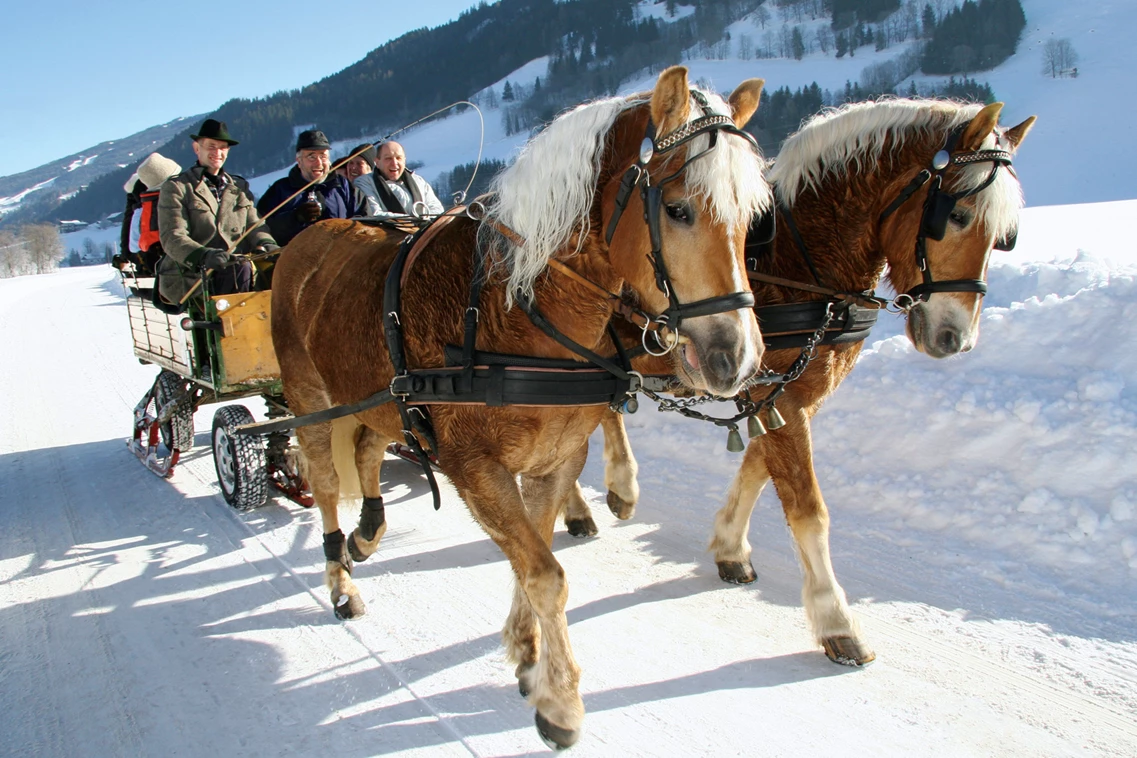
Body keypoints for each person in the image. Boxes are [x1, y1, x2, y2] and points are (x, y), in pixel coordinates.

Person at [155, 119, 277, 307]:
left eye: (223, 147)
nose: (217, 153)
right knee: (237, 269)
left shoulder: (238, 187)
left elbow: (255, 225)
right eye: (211, 146)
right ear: (197, 148)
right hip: (194, 276)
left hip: (237, 271)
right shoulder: (177, 187)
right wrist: (204, 256)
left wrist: (267, 244)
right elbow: (172, 237)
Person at [256, 129, 368, 248]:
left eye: (323, 156)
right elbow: (263, 229)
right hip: (295, 258)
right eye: (311, 157)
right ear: (299, 161)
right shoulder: (280, 190)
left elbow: (365, 220)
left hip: (340, 256)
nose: (318, 163)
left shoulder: (345, 187)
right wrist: (295, 217)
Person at [356, 140, 444, 220]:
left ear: (404, 161)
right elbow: (374, 214)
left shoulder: (419, 181)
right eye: (388, 158)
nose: (394, 163)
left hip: (423, 234)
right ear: (377, 162)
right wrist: (414, 219)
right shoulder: (365, 182)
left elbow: (437, 209)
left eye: (398, 158)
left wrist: (423, 220)